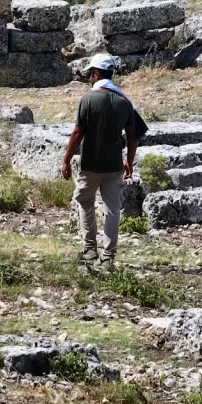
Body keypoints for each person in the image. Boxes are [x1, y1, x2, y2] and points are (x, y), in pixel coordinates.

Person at [61, 53, 138, 267]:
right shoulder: (124, 102)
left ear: (96, 74)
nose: (89, 79)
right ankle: (109, 257)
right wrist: (129, 162)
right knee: (112, 208)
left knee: (85, 201)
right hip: (114, 165)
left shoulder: (88, 99)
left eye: (90, 75)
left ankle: (90, 250)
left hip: (90, 164)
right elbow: (132, 138)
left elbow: (78, 133)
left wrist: (66, 160)